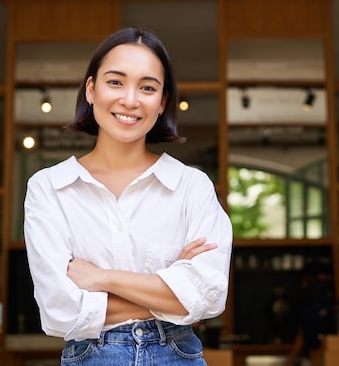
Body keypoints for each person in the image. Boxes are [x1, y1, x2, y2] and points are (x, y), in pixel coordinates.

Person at [23, 27, 233, 366]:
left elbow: (210, 294)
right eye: (115, 82)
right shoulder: (49, 188)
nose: (131, 100)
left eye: (148, 87)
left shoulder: (191, 186)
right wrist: (173, 292)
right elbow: (58, 310)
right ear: (91, 89)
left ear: (162, 102)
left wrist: (101, 278)